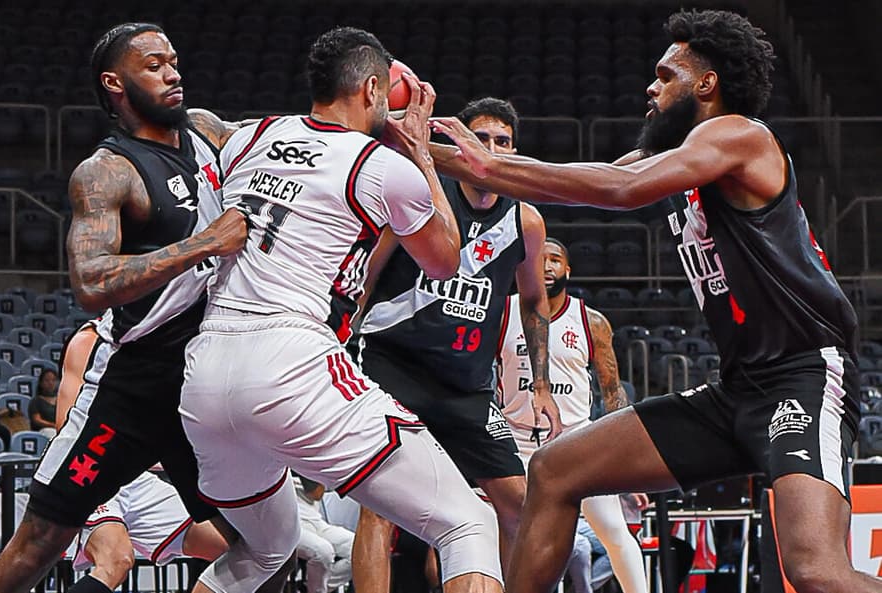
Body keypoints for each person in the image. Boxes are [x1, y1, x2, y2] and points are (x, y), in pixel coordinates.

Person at [428, 9, 871, 593]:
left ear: (706, 83)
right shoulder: (677, 154)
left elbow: (622, 190)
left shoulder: (740, 135)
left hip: (804, 376)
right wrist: (412, 147)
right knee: (555, 470)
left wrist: (488, 165)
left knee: (816, 572)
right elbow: (587, 179)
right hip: (736, 390)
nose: (651, 88)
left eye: (666, 76)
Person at [179, 26, 502, 593]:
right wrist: (420, 155)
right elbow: (445, 261)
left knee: (267, 549)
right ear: (373, 89)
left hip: (205, 377)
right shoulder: (381, 165)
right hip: (292, 359)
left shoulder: (249, 137)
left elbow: (203, 125)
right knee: (469, 522)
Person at [0, 22, 251, 593]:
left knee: (264, 545)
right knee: (38, 544)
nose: (173, 73)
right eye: (153, 65)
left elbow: (301, 144)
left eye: (173, 61)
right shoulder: (107, 171)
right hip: (133, 389)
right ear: (114, 82)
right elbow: (92, 281)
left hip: (206, 385)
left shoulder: (207, 132)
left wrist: (394, 133)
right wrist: (205, 242)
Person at [354, 97, 558, 590]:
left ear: (514, 151)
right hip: (394, 367)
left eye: (502, 141)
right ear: (458, 143)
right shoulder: (419, 191)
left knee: (520, 503)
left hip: (466, 386)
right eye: (480, 137)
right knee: (379, 507)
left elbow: (534, 301)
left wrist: (541, 385)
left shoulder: (526, 220)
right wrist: (341, 332)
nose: (491, 148)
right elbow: (368, 273)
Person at [496, 238, 648, 593]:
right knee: (514, 536)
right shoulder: (502, 314)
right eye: (540, 258)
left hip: (576, 441)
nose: (547, 266)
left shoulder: (591, 321)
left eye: (555, 259)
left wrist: (630, 460)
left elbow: (613, 394)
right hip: (517, 440)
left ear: (568, 270)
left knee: (614, 531)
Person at [56, 323, 228, 593]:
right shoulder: (88, 340)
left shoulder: (159, 342)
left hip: (136, 479)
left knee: (236, 547)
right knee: (116, 560)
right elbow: (65, 426)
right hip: (90, 469)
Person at [294, 476, 354, 593]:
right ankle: (316, 587)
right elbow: (316, 493)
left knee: (356, 547)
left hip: (315, 520)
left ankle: (314, 587)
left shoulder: (307, 466)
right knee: (323, 551)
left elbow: (317, 494)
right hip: (291, 525)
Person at [29, 369, 59, 438]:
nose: (50, 383)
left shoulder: (61, 400)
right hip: (44, 430)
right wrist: (52, 425)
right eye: (47, 380)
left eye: (53, 380)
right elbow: (37, 420)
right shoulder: (36, 401)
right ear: (41, 383)